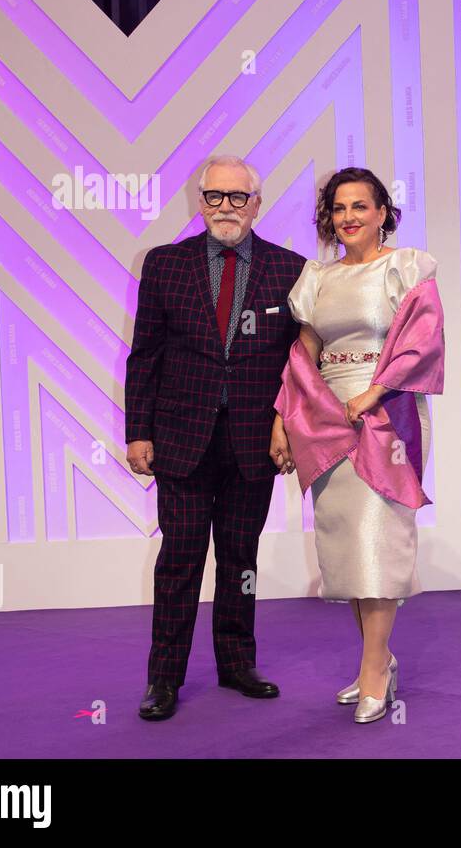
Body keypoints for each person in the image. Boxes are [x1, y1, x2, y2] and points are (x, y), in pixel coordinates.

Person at [125, 155, 306, 721]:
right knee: (178, 560)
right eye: (214, 196)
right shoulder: (164, 264)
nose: (225, 207)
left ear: (258, 203)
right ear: (198, 201)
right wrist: (137, 432)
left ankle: (236, 664)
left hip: (254, 442)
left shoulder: (291, 269)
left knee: (240, 558)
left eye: (237, 197)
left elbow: (300, 361)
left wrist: (287, 424)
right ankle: (163, 679)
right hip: (180, 438)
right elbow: (146, 353)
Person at [271, 167, 445, 724]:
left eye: (360, 207)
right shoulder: (317, 278)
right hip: (326, 418)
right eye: (339, 208)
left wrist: (373, 393)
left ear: (382, 213)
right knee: (347, 548)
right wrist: (283, 417)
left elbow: (423, 340)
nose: (348, 217)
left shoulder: (406, 266)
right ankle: (379, 660)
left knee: (379, 540)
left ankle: (374, 670)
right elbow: (304, 351)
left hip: (386, 413)